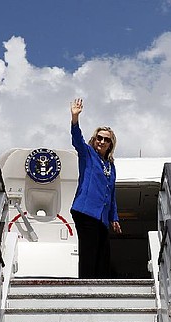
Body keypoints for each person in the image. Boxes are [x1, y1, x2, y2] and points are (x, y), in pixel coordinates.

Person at [69, 98, 122, 278]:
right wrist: (75, 118)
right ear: (94, 139)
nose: (101, 141)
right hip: (85, 210)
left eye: (106, 139)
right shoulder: (88, 154)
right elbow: (77, 140)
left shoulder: (110, 165)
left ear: (110, 144)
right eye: (99, 138)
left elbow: (111, 193)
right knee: (89, 251)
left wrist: (114, 217)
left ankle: (99, 287)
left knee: (103, 253)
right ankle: (85, 288)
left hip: (101, 216)